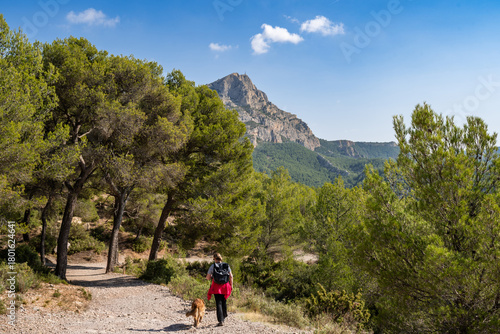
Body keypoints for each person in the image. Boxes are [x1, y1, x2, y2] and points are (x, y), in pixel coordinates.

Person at [206, 252, 233, 326]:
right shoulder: (226, 265)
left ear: (214, 258)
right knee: (224, 301)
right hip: (225, 286)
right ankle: (224, 315)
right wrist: (231, 285)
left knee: (218, 303)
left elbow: (208, 277)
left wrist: (212, 277)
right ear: (221, 258)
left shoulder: (213, 266)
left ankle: (221, 320)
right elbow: (231, 276)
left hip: (216, 287)